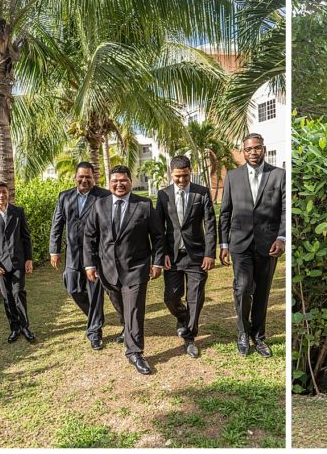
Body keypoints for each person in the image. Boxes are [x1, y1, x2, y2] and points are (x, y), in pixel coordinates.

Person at [84, 166, 164, 375]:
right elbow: (90, 237)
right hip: (107, 269)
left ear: (130, 181)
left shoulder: (144, 205)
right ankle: (127, 330)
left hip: (136, 268)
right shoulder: (99, 205)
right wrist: (90, 265)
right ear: (109, 183)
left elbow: (157, 236)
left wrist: (157, 263)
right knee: (122, 309)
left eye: (123, 180)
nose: (119, 184)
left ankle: (134, 351)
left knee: (134, 310)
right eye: (115, 180)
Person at [219, 134, 286, 358]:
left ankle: (259, 336)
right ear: (243, 151)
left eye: (257, 148)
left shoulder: (279, 175)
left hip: (268, 245)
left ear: (264, 149)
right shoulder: (232, 177)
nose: (253, 153)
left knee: (262, 292)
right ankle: (242, 333)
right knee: (243, 288)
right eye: (249, 149)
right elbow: (225, 212)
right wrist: (224, 243)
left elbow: (285, 209)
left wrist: (282, 238)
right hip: (240, 244)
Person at [157, 156, 216, 359]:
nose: (181, 180)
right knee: (171, 297)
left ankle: (190, 337)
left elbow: (210, 225)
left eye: (185, 176)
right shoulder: (163, 194)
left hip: (197, 256)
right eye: (177, 177)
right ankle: (182, 317)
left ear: (191, 172)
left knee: (195, 298)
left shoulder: (202, 192)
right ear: (170, 174)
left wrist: (209, 254)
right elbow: (159, 229)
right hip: (172, 257)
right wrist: (161, 253)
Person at [49, 162, 111, 350]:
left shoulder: (104, 196)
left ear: (94, 178)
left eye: (88, 177)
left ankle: (94, 332)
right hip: (72, 254)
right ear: (75, 177)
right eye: (81, 176)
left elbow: (109, 225)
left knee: (94, 293)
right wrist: (54, 250)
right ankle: (95, 315)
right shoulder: (64, 197)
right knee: (72, 288)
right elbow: (57, 225)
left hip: (95, 254)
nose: (84, 180)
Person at [0, 180, 35, 343]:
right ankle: (15, 328)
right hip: (0, 266)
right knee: (7, 298)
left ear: (8, 193)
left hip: (18, 262)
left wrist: (29, 259)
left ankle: (25, 327)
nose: (1, 195)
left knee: (18, 293)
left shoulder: (18, 212)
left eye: (3, 192)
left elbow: (26, 238)